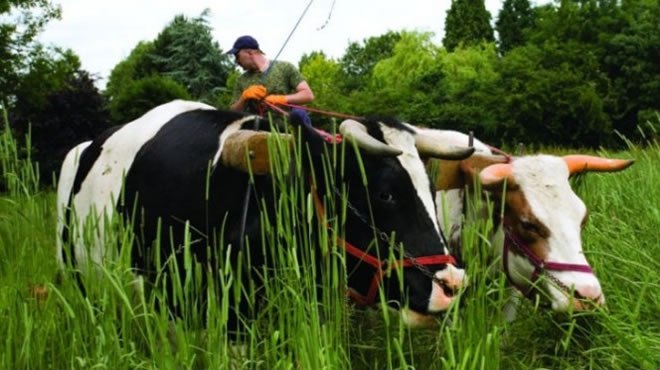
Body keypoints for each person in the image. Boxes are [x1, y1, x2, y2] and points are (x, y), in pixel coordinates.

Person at [227, 35, 314, 113]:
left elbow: (308, 95)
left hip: (284, 129)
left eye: (237, 56)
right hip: (254, 129)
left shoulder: (285, 67)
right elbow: (232, 111)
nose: (236, 61)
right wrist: (244, 97)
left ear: (249, 53)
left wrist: (282, 99)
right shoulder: (241, 80)